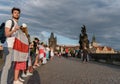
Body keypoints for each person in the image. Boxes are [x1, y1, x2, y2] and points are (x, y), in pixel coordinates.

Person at [0, 7, 23, 84]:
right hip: (8, 46)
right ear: (12, 14)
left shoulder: (16, 24)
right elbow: (7, 34)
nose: (17, 14)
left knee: (10, 66)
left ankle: (9, 81)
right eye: (15, 12)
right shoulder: (10, 22)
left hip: (13, 47)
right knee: (6, 66)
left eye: (18, 13)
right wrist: (14, 30)